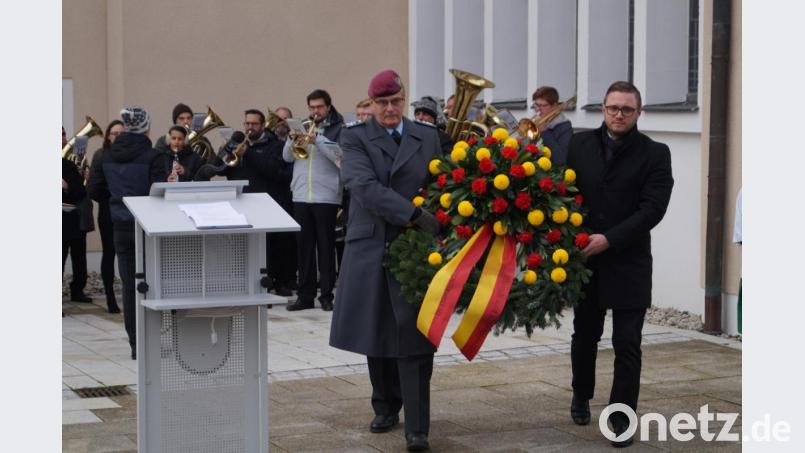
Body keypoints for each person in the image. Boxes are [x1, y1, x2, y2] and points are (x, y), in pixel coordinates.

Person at [330, 69, 442, 452]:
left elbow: (442, 184)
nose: (390, 109)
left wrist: (437, 218)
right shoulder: (354, 136)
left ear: (404, 99)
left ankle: (418, 426)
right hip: (373, 244)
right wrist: (414, 214)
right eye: (382, 103)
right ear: (371, 102)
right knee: (375, 330)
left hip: (417, 249)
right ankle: (385, 404)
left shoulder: (427, 136)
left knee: (415, 335)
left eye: (395, 101)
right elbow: (363, 186)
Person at [566, 81, 674, 447]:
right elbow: (563, 194)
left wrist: (609, 239)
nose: (619, 114)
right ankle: (581, 393)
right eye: (613, 107)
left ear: (639, 113)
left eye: (627, 109)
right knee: (585, 335)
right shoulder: (578, 145)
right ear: (603, 108)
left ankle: (621, 418)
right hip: (586, 259)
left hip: (629, 260)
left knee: (627, 344)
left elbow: (652, 209)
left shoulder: (656, 153)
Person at [88, 106, 168, 360]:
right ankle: (152, 341)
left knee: (130, 286)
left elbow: (94, 190)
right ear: (146, 127)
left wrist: (116, 200)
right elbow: (159, 193)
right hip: (148, 226)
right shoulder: (154, 156)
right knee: (152, 284)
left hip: (120, 225)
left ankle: (136, 344)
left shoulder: (106, 156)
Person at [211, 109, 297, 297]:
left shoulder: (275, 145)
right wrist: (225, 150)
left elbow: (273, 170)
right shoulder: (238, 144)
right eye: (247, 123)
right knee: (248, 247)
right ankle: (248, 283)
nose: (249, 128)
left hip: (270, 203)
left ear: (263, 125)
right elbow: (219, 170)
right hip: (244, 203)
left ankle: (280, 283)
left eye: (254, 124)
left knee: (276, 246)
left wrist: (249, 153)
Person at [283, 90, 344, 312]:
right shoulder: (302, 126)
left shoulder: (339, 128)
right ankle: (305, 296)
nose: (315, 111)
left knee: (326, 248)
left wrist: (318, 139)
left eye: (319, 107)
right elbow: (286, 158)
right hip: (301, 195)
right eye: (311, 107)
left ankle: (326, 296)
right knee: (304, 248)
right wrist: (291, 140)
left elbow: (339, 157)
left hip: (326, 196)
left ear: (328, 107)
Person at [88, 120, 124, 313]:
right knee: (109, 253)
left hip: (128, 211)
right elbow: (93, 189)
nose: (118, 137)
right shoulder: (101, 155)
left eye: (121, 134)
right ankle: (110, 298)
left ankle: (130, 295)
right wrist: (112, 196)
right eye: (114, 134)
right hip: (108, 211)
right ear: (108, 136)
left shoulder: (131, 155)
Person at [61, 127, 93, 303]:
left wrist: (83, 176)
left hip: (77, 213)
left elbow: (81, 191)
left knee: (79, 254)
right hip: (63, 215)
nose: (63, 138)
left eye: (63, 134)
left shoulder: (72, 160)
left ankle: (78, 289)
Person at [532, 86, 573, 165]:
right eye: (536, 104)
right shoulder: (536, 122)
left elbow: (561, 159)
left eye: (543, 105)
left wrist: (545, 132)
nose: (538, 109)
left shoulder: (565, 127)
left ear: (554, 106)